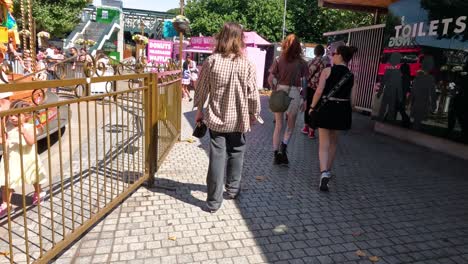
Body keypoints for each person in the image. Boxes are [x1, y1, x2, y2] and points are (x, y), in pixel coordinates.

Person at [194, 22, 261, 213]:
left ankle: (213, 202)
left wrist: (199, 111)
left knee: (217, 156)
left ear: (221, 37)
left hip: (217, 118)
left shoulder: (212, 61)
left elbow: (201, 89)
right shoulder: (247, 64)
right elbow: (253, 94)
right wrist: (253, 114)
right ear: (240, 40)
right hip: (239, 118)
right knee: (237, 152)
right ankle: (232, 189)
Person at [309, 45, 357, 191]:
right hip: (342, 110)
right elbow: (353, 99)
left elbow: (319, 91)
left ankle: (323, 173)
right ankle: (328, 170)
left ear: (340, 56)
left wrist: (312, 107)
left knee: (323, 144)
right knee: (334, 143)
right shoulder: (351, 75)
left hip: (326, 108)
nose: (332, 56)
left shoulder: (327, 70)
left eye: (334, 54)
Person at [0, 100, 47, 218]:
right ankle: (6, 204)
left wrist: (24, 132)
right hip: (11, 160)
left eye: (17, 115)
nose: (13, 118)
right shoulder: (9, 127)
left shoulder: (29, 127)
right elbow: (4, 140)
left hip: (27, 158)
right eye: (11, 115)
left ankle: (38, 192)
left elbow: (31, 142)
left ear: (26, 116)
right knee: (7, 181)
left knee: (34, 177)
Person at [268, 34, 308, 165]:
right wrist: (305, 98)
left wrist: (274, 87)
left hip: (280, 90)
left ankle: (275, 155)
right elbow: (304, 82)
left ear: (285, 44)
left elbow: (270, 78)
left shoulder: (279, 60)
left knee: (278, 125)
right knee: (290, 126)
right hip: (294, 93)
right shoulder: (302, 63)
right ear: (298, 47)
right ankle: (283, 149)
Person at [302, 45, 325, 139]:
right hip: (318, 89)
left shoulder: (309, 62)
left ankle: (305, 127)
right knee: (315, 108)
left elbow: (305, 77)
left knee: (307, 107)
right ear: (323, 52)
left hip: (309, 88)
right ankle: (312, 131)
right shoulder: (325, 63)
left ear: (315, 52)